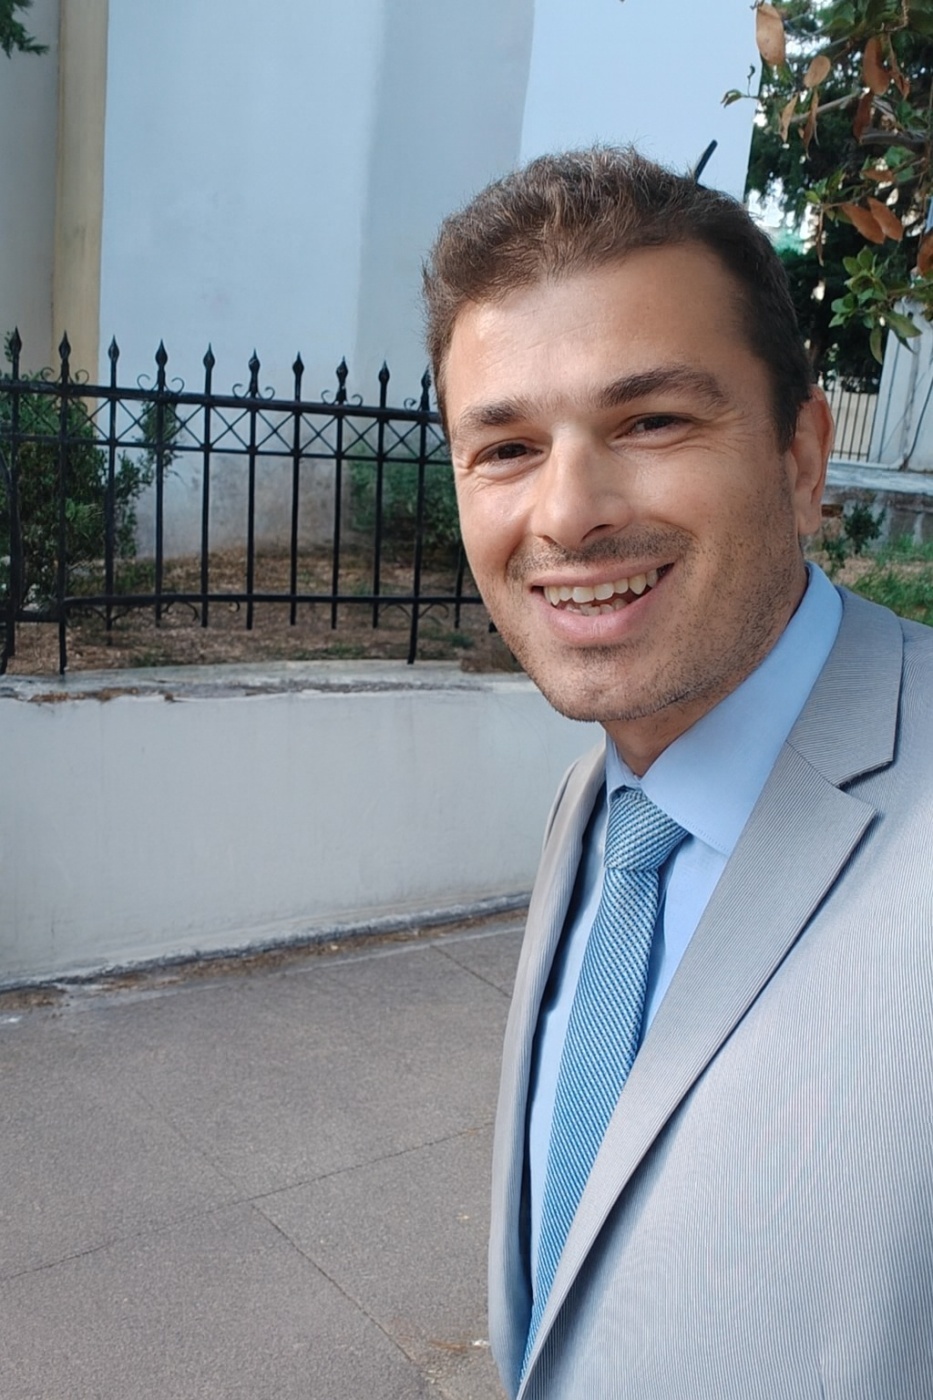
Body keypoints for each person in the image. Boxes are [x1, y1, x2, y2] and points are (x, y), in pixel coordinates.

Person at [422, 147, 933, 1399]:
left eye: (650, 420)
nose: (567, 512)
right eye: (507, 446)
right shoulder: (601, 801)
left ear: (801, 457)